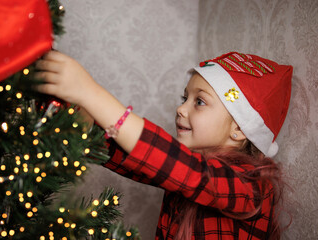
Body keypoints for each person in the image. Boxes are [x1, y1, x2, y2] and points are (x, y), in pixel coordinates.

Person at [35, 50, 293, 239]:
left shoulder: (250, 186)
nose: (180, 109)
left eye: (199, 102)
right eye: (185, 98)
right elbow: (137, 161)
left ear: (239, 128)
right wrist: (80, 121)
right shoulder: (183, 172)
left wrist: (91, 93)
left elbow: (183, 169)